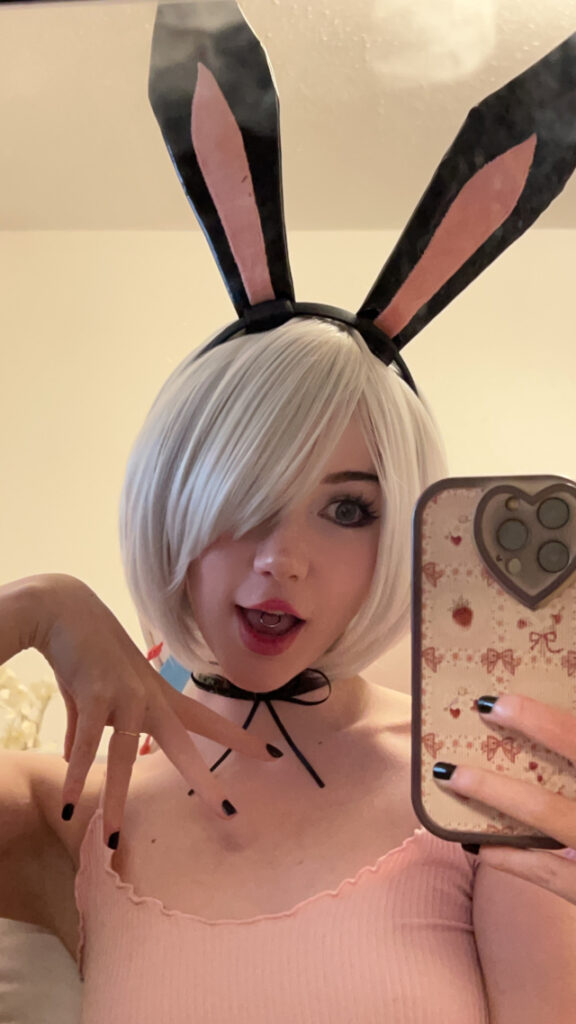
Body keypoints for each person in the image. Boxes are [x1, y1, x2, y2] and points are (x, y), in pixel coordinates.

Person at [2, 6, 576, 1021]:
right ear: (173, 499)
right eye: (246, 497)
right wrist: (42, 606)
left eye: (347, 508)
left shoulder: (477, 786)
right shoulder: (77, 804)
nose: (283, 560)